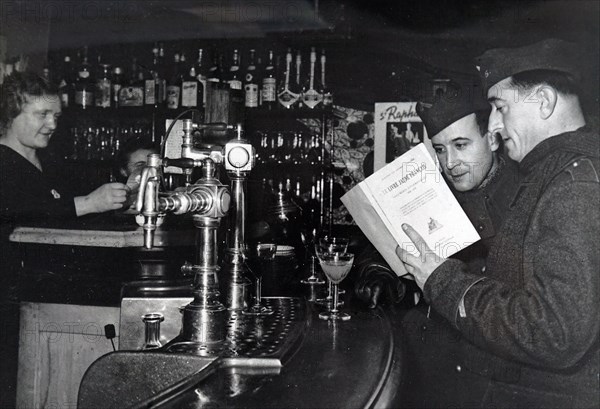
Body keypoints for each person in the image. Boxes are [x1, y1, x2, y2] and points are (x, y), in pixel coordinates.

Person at [397, 38, 599, 408]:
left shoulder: (573, 183)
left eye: (500, 107)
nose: (493, 125)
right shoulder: (555, 173)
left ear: (544, 101)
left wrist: (441, 280)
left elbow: (555, 332)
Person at [0, 71, 129, 406]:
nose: (51, 124)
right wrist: (89, 203)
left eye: (55, 115)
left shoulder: (49, 162)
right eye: (41, 114)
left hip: (45, 296)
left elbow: (66, 214)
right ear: (11, 114)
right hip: (9, 298)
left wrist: (116, 203)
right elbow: (22, 212)